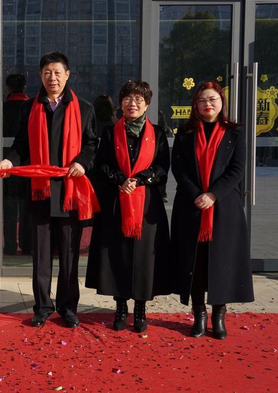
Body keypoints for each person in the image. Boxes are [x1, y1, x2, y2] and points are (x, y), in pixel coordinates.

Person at [0, 52, 97, 328]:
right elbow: (21, 144)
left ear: (67, 75)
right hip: (40, 192)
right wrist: (10, 160)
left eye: (57, 72)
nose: (52, 78)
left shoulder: (84, 108)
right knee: (40, 255)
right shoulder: (30, 108)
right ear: (40, 76)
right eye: (47, 73)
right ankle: (42, 306)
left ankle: (68, 307)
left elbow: (91, 145)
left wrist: (82, 163)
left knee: (69, 256)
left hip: (69, 191)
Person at [170, 81, 254, 339]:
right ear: (195, 105)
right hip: (191, 206)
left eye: (212, 99)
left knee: (221, 262)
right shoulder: (185, 133)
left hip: (223, 207)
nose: (208, 104)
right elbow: (179, 168)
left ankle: (219, 315)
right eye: (202, 100)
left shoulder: (235, 132)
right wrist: (197, 195)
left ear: (221, 103)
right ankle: (199, 314)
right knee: (195, 262)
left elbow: (237, 170)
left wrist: (213, 194)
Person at [85, 80, 170, 332]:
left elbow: (163, 167)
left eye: (138, 100)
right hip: (117, 201)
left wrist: (141, 180)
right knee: (118, 255)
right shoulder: (110, 132)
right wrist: (120, 180)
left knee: (144, 258)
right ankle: (121, 307)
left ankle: (140, 309)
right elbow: (102, 165)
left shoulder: (158, 133)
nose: (132, 104)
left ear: (147, 104)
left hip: (147, 205)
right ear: (120, 103)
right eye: (127, 99)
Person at [2, 74, 32, 255]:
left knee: (10, 205)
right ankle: (28, 244)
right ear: (24, 87)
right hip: (29, 164)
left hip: (9, 164)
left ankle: (10, 245)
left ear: (8, 88)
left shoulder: (3, 109)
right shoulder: (32, 108)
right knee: (27, 205)